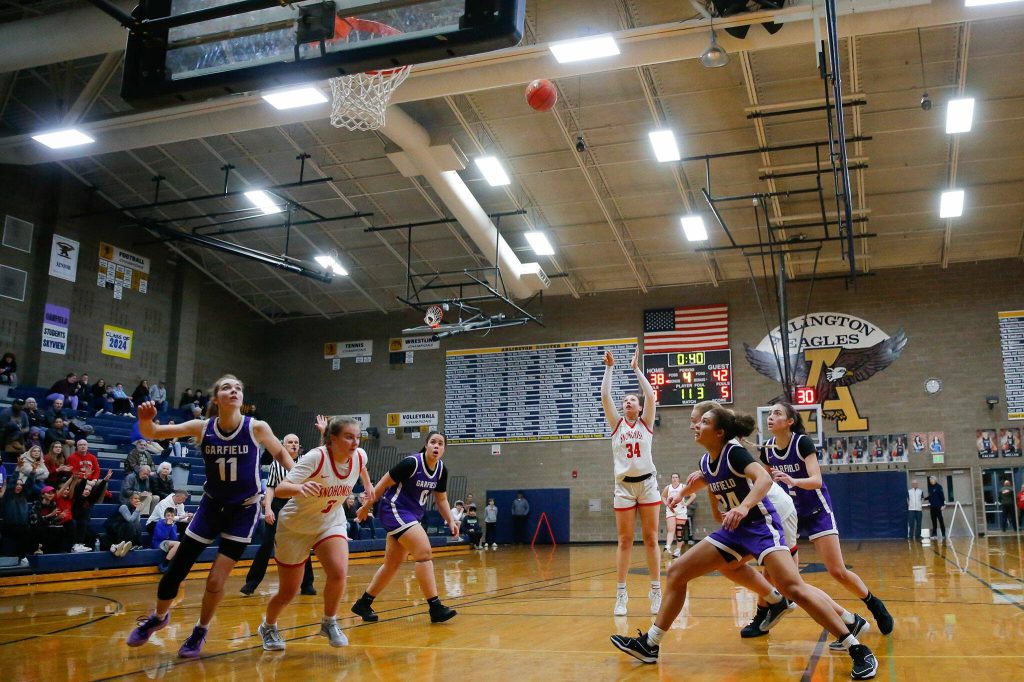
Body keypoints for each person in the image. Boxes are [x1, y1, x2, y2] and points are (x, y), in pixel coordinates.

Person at [610, 406, 879, 681]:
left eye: (703, 422)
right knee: (678, 571)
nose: (695, 426)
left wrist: (744, 506)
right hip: (735, 531)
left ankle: (857, 649)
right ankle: (651, 644)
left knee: (793, 587)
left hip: (761, 526)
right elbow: (706, 479)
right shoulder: (706, 460)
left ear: (719, 432)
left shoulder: (734, 452)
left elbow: (763, 477)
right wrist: (681, 494)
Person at [126, 375, 292, 658]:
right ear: (216, 398)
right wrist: (145, 419)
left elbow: (282, 456)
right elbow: (152, 432)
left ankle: (200, 631)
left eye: (238, 387)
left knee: (215, 581)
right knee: (176, 570)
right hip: (211, 507)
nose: (234, 391)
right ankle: (159, 617)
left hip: (243, 511)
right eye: (227, 387)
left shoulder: (257, 427)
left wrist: (300, 480)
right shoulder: (202, 428)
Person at [762, 402, 894, 638]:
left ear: (790, 421)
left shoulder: (801, 442)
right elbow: (765, 483)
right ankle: (765, 613)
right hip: (789, 513)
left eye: (777, 413)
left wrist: (793, 481)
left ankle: (874, 603)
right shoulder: (767, 450)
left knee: (837, 571)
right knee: (784, 576)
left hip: (816, 510)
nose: (771, 417)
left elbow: (815, 479)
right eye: (769, 413)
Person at [258, 416, 374, 651]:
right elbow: (280, 489)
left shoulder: (359, 456)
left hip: (330, 521)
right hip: (296, 527)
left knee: (339, 571)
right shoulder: (316, 457)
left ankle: (329, 621)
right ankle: (268, 626)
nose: (355, 442)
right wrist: (300, 488)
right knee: (289, 591)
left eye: (358, 437)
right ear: (333, 439)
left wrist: (369, 485)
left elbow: (361, 467)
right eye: (349, 437)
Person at [350, 431, 459, 624]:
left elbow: (441, 499)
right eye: (433, 442)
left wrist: (450, 520)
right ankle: (435, 607)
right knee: (424, 552)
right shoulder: (411, 463)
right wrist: (366, 507)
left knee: (393, 563)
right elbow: (382, 484)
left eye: (440, 444)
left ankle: (364, 603)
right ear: (426, 445)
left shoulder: (442, 470)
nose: (436, 446)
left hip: (411, 514)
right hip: (393, 509)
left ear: (444, 449)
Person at [601, 347, 661, 616]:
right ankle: (621, 594)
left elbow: (650, 394)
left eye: (631, 401)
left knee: (650, 539)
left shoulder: (646, 423)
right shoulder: (617, 425)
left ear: (639, 407)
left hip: (647, 484)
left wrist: (636, 368)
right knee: (625, 541)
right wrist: (610, 368)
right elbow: (605, 396)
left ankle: (656, 590)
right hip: (624, 487)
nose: (627, 403)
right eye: (624, 401)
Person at [241, 433, 315, 597]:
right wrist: (267, 508)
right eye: (290, 442)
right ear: (284, 444)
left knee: (302, 543)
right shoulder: (276, 463)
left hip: (298, 505)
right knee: (267, 544)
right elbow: (271, 487)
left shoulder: (306, 462)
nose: (294, 445)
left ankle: (307, 584)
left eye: (296, 442)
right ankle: (251, 583)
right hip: (279, 504)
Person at [2, 476, 38, 565]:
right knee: (25, 531)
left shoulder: (23, 497)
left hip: (22, 526)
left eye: (21, 485)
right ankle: (23, 557)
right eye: (16, 484)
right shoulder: (7, 496)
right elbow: (10, 485)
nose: (19, 486)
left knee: (34, 529)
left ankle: (28, 556)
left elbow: (30, 485)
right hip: (9, 526)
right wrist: (17, 470)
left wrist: (33, 472)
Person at [29, 485, 73, 554]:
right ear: (43, 495)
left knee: (61, 528)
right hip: (36, 528)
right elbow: (34, 521)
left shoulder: (53, 504)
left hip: (48, 527)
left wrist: (58, 518)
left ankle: (60, 551)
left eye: (52, 493)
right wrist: (50, 515)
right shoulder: (36, 504)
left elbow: (53, 522)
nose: (51, 495)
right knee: (42, 530)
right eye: (48, 493)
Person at [661, 473, 693, 556]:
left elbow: (693, 495)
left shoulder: (683, 487)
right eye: (673, 477)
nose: (674, 479)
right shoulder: (668, 488)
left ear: (679, 479)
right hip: (671, 510)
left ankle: (678, 550)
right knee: (671, 529)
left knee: (680, 532)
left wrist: (686, 503)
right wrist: (666, 504)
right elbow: (663, 497)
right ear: (671, 479)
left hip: (681, 511)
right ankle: (667, 546)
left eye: (676, 477)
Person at [105, 491, 143, 556]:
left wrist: (138, 511)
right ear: (130, 499)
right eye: (135, 498)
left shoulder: (134, 508)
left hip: (124, 528)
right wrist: (137, 510)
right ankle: (123, 545)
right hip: (114, 528)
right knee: (130, 525)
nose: (137, 500)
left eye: (139, 499)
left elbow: (137, 521)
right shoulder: (123, 506)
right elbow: (129, 520)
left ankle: (135, 545)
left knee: (138, 525)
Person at [152, 507, 181, 571]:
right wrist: (168, 526)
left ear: (174, 517)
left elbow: (174, 539)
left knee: (180, 545)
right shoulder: (159, 523)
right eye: (168, 515)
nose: (170, 517)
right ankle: (164, 564)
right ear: (165, 516)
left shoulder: (173, 525)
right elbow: (160, 537)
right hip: (158, 543)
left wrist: (171, 527)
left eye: (172, 516)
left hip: (167, 543)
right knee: (179, 544)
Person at [927, 475, 947, 540]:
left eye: (931, 480)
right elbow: (930, 496)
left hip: (938, 507)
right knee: (933, 521)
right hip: (932, 507)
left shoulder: (939, 487)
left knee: (940, 520)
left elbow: (942, 496)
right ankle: (934, 534)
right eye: (930, 480)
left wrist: (943, 505)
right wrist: (925, 498)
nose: (930, 481)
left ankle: (943, 534)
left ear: (934, 480)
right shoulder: (930, 487)